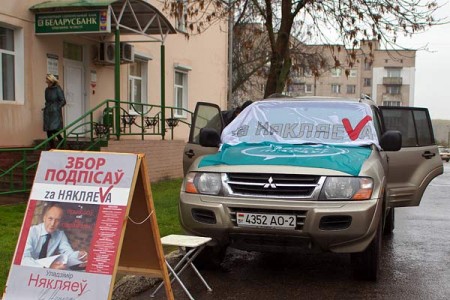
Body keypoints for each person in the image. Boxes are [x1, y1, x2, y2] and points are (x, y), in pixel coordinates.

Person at [22, 203, 88, 270]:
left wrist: (79, 256)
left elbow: (67, 252)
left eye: (57, 220)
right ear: (44, 218)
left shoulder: (60, 234)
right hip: (28, 270)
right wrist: (46, 267)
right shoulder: (30, 232)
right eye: (50, 219)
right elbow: (24, 258)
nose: (52, 224)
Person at [43, 74, 66, 149]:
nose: (48, 84)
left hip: (55, 111)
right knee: (48, 129)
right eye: (47, 83)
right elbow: (46, 100)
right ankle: (52, 146)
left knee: (54, 128)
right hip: (48, 111)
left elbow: (63, 101)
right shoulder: (47, 90)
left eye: (49, 82)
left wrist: (57, 107)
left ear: (52, 82)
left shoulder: (57, 89)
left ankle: (61, 140)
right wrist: (46, 107)